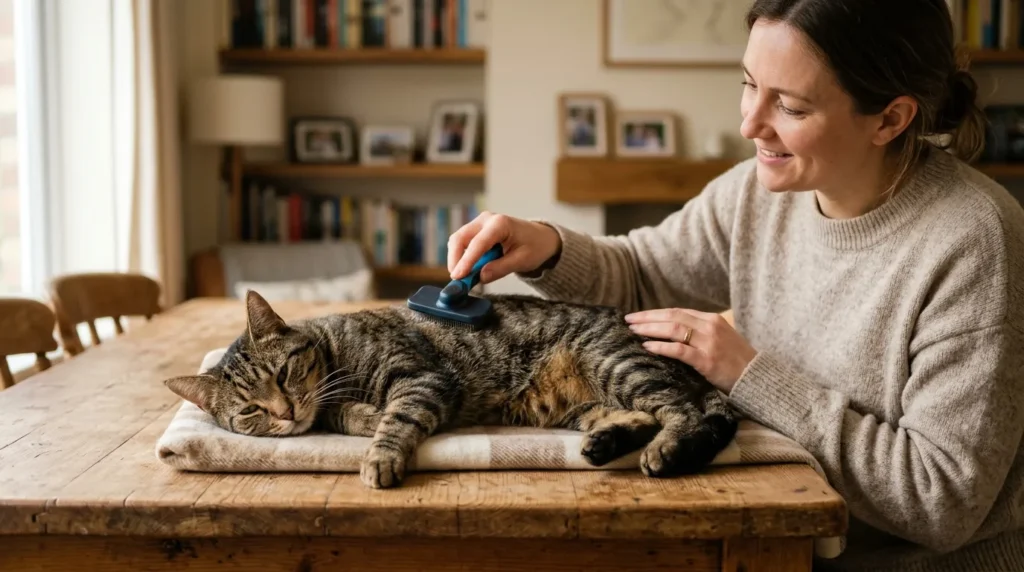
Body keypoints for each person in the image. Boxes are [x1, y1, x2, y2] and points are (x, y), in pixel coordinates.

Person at [446, 1, 1024, 570]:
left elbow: (943, 501)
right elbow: (643, 275)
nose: (749, 124)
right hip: (783, 536)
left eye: (791, 107)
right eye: (750, 84)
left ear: (890, 119)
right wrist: (547, 246)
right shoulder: (754, 192)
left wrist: (749, 375)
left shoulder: (975, 242)